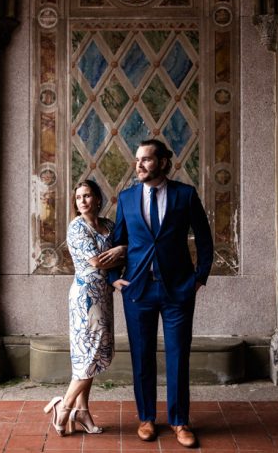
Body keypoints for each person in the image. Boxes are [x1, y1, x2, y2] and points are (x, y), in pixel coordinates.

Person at [109, 139, 214, 449]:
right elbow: (118, 242)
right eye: (137, 159)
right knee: (142, 357)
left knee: (178, 356)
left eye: (146, 159)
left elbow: (205, 240)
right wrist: (115, 278)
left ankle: (180, 421)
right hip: (138, 290)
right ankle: (146, 418)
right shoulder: (127, 198)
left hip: (178, 290)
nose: (139, 165)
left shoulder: (185, 195)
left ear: (163, 162)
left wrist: (199, 278)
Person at [44, 179, 126, 436]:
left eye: (87, 196)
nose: (83, 201)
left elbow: (123, 254)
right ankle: (64, 406)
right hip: (85, 297)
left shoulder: (110, 226)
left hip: (105, 294)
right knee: (89, 353)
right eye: (78, 198)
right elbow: (96, 261)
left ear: (97, 199)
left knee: (93, 352)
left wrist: (122, 249)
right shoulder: (76, 227)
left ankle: (82, 411)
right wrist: (121, 251)